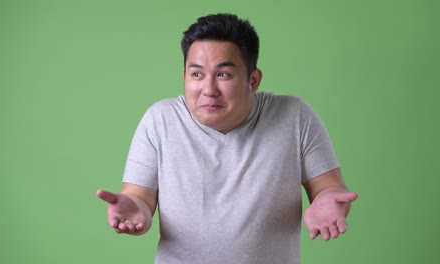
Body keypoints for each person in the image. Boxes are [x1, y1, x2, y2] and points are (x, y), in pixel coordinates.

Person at [97, 13, 357, 264]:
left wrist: (329, 201)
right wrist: (133, 209)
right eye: (196, 74)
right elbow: (139, 198)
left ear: (253, 80)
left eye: (223, 74)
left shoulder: (294, 116)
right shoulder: (160, 119)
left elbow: (328, 187)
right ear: (184, 76)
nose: (208, 89)